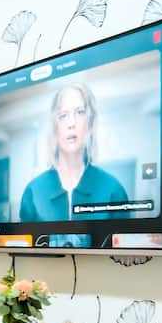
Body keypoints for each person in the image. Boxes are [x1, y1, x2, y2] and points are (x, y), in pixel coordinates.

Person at [20, 83, 128, 223]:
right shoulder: (33, 192)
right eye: (63, 115)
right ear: (54, 126)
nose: (72, 123)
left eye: (80, 112)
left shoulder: (113, 190)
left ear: (90, 123)